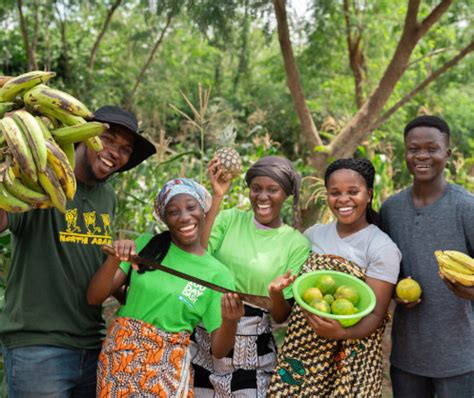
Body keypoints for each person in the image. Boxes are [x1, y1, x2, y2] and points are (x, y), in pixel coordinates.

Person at [0, 105, 156, 397]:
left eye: (125, 148)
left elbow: (94, 272)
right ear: (84, 135)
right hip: (38, 344)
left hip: (91, 344)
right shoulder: (42, 178)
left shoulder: (107, 196)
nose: (116, 152)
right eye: (108, 139)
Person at [87, 178, 244, 397]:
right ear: (165, 219)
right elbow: (95, 297)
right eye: (173, 212)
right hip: (121, 358)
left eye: (191, 207)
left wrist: (230, 320)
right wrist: (115, 258)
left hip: (168, 365)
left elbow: (219, 350)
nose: (185, 217)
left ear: (203, 210)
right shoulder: (146, 246)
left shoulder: (218, 274)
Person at [267, 158, 401, 397]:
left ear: (368, 195)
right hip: (303, 357)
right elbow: (285, 312)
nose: (343, 200)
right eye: (334, 192)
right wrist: (277, 294)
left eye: (353, 192)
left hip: (351, 361)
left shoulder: (381, 247)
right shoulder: (312, 236)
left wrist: (343, 333)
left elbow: (376, 314)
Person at [191, 155, 310, 397]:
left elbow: (281, 314)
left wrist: (276, 294)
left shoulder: (295, 243)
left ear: (286, 194)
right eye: (256, 189)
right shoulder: (229, 219)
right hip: (207, 332)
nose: (262, 197)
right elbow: (199, 255)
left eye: (272, 190)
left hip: (252, 348)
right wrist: (217, 195)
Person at [380, 115, 474, 398]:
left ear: (447, 153)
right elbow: (387, 273)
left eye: (432, 148)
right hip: (407, 357)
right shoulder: (391, 210)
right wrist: (396, 293)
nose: (422, 155)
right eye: (413, 148)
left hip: (459, 359)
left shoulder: (466, 207)